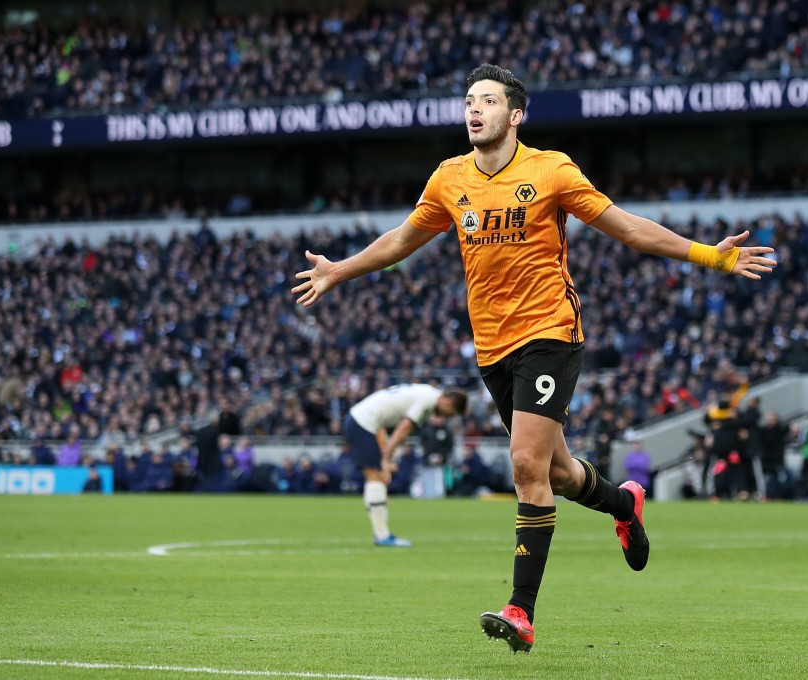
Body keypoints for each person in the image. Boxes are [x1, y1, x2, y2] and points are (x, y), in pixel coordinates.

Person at [292, 63, 776, 653]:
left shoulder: (551, 171)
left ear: (515, 115)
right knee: (555, 473)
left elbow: (627, 229)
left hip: (550, 332)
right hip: (492, 348)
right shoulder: (449, 179)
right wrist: (340, 269)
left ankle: (521, 611)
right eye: (469, 100)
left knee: (524, 464)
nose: (474, 109)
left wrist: (709, 256)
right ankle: (625, 503)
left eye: (487, 101)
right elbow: (403, 239)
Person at [343, 383, 468, 547]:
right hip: (363, 423)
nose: (446, 417)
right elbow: (403, 430)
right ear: (448, 403)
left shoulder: (427, 394)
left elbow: (386, 416)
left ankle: (381, 533)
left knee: (375, 477)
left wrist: (386, 452)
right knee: (376, 477)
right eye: (450, 414)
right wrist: (386, 459)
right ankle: (382, 536)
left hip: (364, 421)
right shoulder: (427, 400)